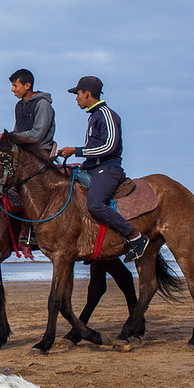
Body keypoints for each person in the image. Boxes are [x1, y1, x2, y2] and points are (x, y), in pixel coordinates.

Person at [56, 76, 148, 263]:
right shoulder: (93, 116)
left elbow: (110, 147)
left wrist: (76, 151)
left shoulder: (107, 114)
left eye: (78, 94)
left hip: (108, 169)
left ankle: (135, 237)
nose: (76, 98)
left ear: (87, 93)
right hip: (94, 169)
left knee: (95, 204)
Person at [0, 68, 56, 153]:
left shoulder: (42, 104)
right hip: (22, 151)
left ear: (27, 86)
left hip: (40, 153)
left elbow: (37, 136)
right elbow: (16, 132)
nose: (12, 89)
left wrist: (6, 137)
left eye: (15, 86)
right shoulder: (19, 105)